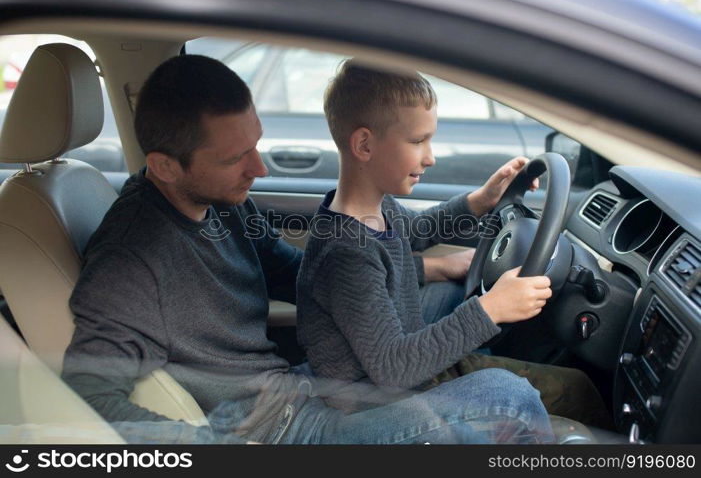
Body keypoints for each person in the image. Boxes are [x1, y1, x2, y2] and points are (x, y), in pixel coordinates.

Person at [61, 54, 554, 444]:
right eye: (236, 158)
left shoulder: (221, 202)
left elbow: (299, 273)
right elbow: (90, 395)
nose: (260, 169)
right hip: (273, 430)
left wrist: (431, 265)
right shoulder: (130, 261)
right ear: (165, 167)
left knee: (449, 301)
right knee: (505, 395)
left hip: (298, 385)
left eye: (256, 144)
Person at [296, 60, 612, 428]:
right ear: (364, 144)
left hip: (410, 373)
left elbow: (419, 229)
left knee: (578, 386)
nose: (430, 157)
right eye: (417, 142)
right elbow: (393, 368)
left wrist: (478, 201)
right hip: (383, 406)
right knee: (569, 392)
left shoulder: (376, 208)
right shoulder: (346, 253)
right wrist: (491, 308)